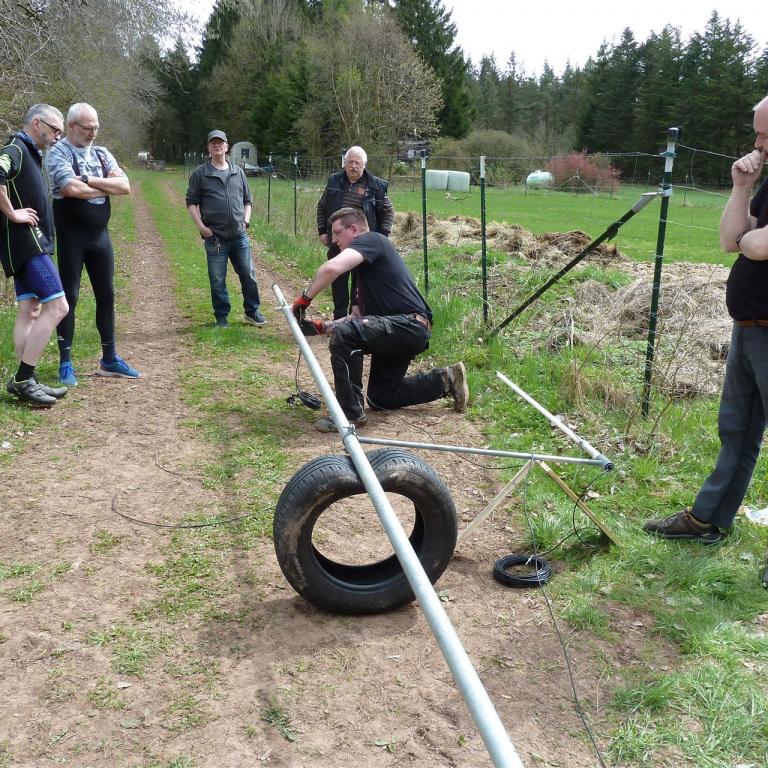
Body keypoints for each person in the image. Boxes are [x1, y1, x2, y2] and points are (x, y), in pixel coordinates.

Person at [644, 94, 768, 544]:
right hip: (750, 327)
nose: (758, 144)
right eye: (757, 134)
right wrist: (742, 187)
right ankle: (706, 520)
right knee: (736, 430)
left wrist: (750, 239)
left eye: (765, 135)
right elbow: (731, 240)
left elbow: (757, 246)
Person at [291, 206, 468, 433]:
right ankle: (446, 379)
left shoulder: (372, 240)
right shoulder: (362, 271)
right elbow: (356, 319)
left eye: (337, 233)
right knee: (381, 395)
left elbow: (331, 269)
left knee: (345, 335)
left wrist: (304, 300)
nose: (333, 240)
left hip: (409, 325)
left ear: (354, 230)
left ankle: (349, 415)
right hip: (397, 330)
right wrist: (321, 327)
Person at [45, 102, 140, 386]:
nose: (93, 133)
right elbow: (69, 188)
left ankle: (109, 359)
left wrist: (88, 179)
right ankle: (65, 362)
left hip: (100, 237)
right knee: (69, 298)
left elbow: (125, 186)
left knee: (106, 295)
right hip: (71, 237)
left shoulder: (101, 153)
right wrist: (104, 186)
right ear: (71, 126)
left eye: (96, 127)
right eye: (88, 128)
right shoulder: (58, 152)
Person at [1, 104, 70, 407]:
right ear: (37, 123)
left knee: (30, 309)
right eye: (55, 130)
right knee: (58, 306)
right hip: (28, 244)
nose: (58, 137)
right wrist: (12, 213)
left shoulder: (29, 152)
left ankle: (26, 380)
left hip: (25, 244)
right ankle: (23, 378)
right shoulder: (15, 148)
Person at [185, 129, 266, 329]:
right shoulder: (200, 174)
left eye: (220, 142)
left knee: (248, 275)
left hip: (239, 236)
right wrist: (202, 227)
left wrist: (246, 221)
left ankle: (252, 312)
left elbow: (248, 200)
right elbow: (191, 203)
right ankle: (221, 317)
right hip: (215, 238)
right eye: (213, 142)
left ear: (227, 146)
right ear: (208, 147)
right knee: (217, 279)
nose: (217, 145)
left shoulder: (237, 172)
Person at [316, 146, 394, 319]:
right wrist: (322, 231)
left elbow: (389, 211)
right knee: (338, 280)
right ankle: (338, 318)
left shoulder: (376, 186)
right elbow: (322, 206)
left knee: (360, 283)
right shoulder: (334, 181)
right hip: (338, 240)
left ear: (364, 165)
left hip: (363, 244)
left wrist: (381, 237)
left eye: (357, 163)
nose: (353, 166)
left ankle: (355, 320)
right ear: (345, 163)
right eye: (350, 162)